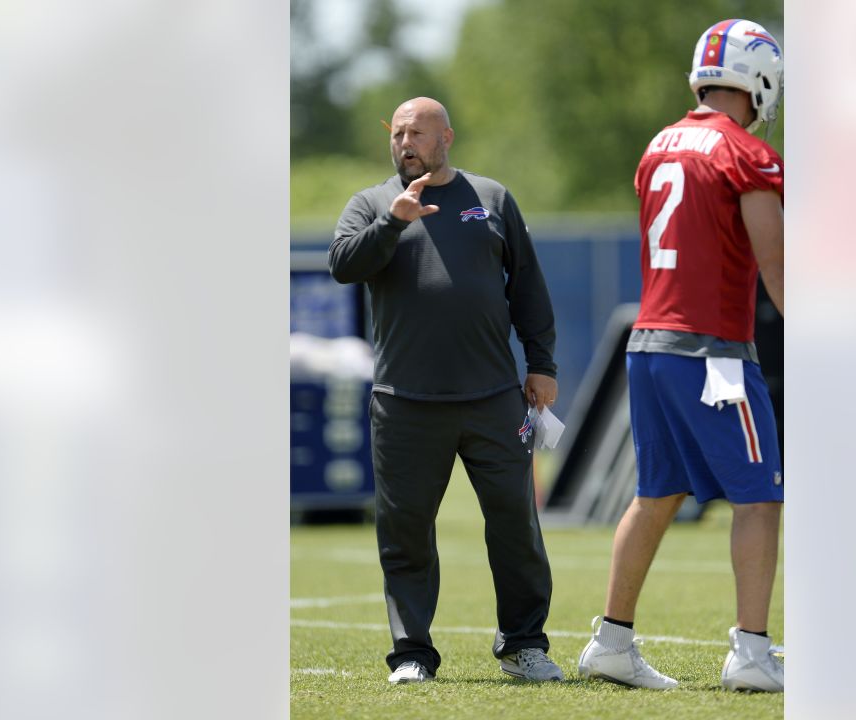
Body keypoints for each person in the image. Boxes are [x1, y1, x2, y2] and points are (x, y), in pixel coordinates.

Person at [577, 19, 786, 692]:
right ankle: (751, 652)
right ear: (758, 80)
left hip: (648, 346)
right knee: (759, 498)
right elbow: (775, 262)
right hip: (713, 353)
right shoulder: (745, 153)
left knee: (656, 494)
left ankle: (611, 640)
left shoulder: (658, 145)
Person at [329, 97, 563, 685]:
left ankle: (523, 645)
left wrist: (542, 364)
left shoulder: (493, 199)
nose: (405, 142)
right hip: (404, 402)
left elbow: (528, 288)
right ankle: (412, 654)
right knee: (405, 533)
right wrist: (394, 221)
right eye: (398, 133)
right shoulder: (371, 204)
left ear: (446, 137)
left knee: (515, 526)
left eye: (417, 133)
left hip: (493, 397)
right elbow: (343, 265)